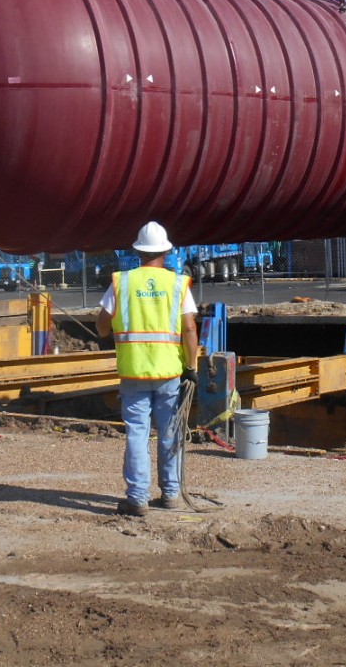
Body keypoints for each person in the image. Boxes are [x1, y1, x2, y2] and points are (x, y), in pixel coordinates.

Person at [96, 221, 199, 517]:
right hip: (169, 373)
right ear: (166, 251)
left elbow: (102, 325)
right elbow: (189, 329)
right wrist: (191, 367)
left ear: (138, 251)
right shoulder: (178, 284)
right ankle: (170, 494)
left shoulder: (122, 282)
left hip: (134, 373)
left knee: (137, 435)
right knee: (170, 433)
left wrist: (111, 328)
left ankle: (138, 498)